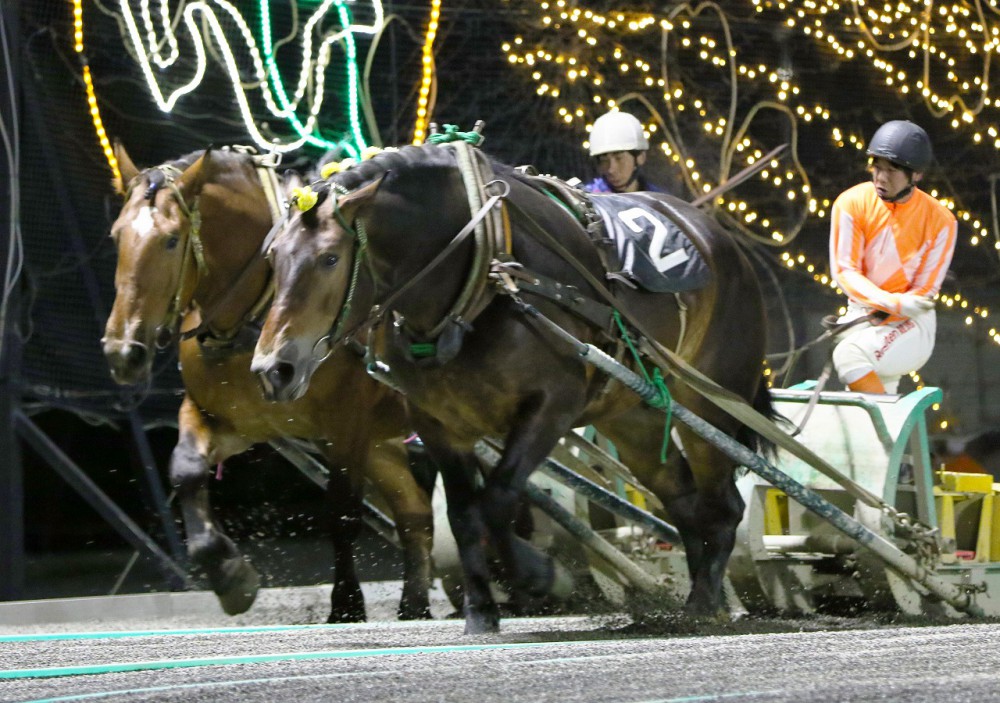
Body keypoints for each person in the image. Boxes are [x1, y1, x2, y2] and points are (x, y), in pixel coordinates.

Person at [829, 119, 957, 395]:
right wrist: (891, 303)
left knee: (848, 355)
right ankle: (882, 436)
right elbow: (844, 271)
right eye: (877, 167)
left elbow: (924, 291)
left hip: (912, 324)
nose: (881, 177)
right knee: (865, 391)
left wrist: (895, 308)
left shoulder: (942, 220)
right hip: (865, 317)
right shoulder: (850, 203)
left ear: (917, 175)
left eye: (892, 170)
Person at [584, 110, 664, 194]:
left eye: (619, 158)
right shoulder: (586, 200)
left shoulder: (658, 203)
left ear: (640, 157)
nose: (611, 169)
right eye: (604, 160)